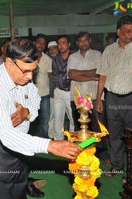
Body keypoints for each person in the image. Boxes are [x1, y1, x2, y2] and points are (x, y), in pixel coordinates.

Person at [0, 38, 82, 199]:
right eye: (25, 71)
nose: (29, 77)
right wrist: (50, 145)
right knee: (3, 192)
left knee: (20, 185)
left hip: (23, 142)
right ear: (8, 62)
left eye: (32, 71)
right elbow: (6, 135)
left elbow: (35, 100)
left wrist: (26, 112)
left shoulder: (24, 76)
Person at [96, 15, 132, 182]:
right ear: (118, 31)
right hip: (112, 99)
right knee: (114, 136)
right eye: (128, 31)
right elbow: (102, 76)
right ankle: (116, 166)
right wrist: (99, 99)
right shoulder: (109, 50)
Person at [67, 31, 110, 164]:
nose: (83, 43)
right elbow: (72, 75)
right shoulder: (72, 57)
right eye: (80, 40)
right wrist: (92, 76)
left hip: (95, 97)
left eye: (85, 40)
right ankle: (80, 153)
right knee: (79, 127)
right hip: (78, 98)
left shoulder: (98, 55)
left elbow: (101, 72)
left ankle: (103, 155)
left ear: (90, 41)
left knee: (97, 128)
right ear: (77, 43)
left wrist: (82, 74)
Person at [52, 35, 75, 140]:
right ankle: (58, 141)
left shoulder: (74, 56)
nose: (60, 46)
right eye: (59, 44)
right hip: (59, 91)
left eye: (63, 43)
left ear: (69, 44)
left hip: (72, 92)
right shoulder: (56, 59)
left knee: (72, 118)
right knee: (58, 117)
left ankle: (72, 141)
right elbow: (55, 75)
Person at [32, 34, 52, 138]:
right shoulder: (28, 57)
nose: (41, 45)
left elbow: (50, 77)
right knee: (30, 120)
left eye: (43, 44)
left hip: (44, 94)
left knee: (45, 120)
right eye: (39, 42)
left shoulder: (48, 59)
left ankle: (43, 141)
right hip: (30, 96)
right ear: (34, 43)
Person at [47, 41, 59, 138]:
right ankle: (51, 135)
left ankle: (59, 134)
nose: (52, 50)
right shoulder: (48, 60)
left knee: (61, 115)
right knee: (52, 115)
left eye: (54, 48)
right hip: (52, 92)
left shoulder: (63, 59)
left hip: (64, 92)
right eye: (50, 49)